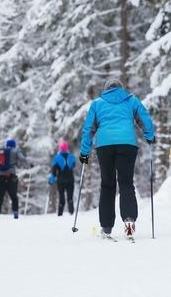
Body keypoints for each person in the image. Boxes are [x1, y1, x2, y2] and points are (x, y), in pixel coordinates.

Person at [80, 78, 155, 240]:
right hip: (127, 144)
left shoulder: (97, 103)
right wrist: (149, 135)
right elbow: (145, 118)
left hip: (104, 145)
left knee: (107, 184)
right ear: (121, 89)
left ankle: (106, 228)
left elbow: (88, 129)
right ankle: (129, 223)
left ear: (106, 89)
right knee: (126, 183)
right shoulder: (131, 100)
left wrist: (84, 151)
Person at [0, 139, 28, 220]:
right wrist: (28, 166)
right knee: (13, 196)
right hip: (11, 177)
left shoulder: (1, 152)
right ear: (14, 145)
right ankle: (15, 213)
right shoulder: (16, 151)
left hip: (0, 177)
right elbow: (22, 159)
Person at [48, 141, 76, 216]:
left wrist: (51, 180)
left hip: (61, 180)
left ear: (60, 149)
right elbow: (74, 165)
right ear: (67, 148)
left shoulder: (57, 158)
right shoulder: (72, 157)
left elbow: (54, 171)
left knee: (61, 197)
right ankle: (71, 212)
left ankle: (60, 214)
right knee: (70, 198)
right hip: (70, 179)